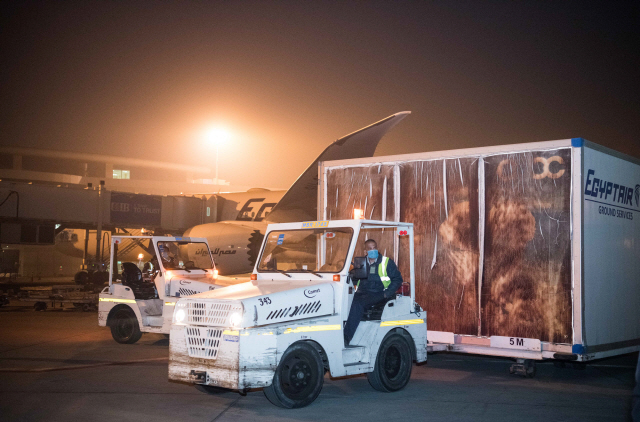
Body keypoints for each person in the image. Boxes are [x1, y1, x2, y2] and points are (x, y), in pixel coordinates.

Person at [344, 239, 403, 346]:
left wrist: (387, 293)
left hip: (379, 293)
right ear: (365, 251)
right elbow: (352, 278)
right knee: (344, 302)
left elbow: (398, 279)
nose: (373, 250)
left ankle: (346, 337)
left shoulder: (386, 262)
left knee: (358, 303)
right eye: (370, 248)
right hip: (362, 293)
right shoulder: (360, 263)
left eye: (374, 247)